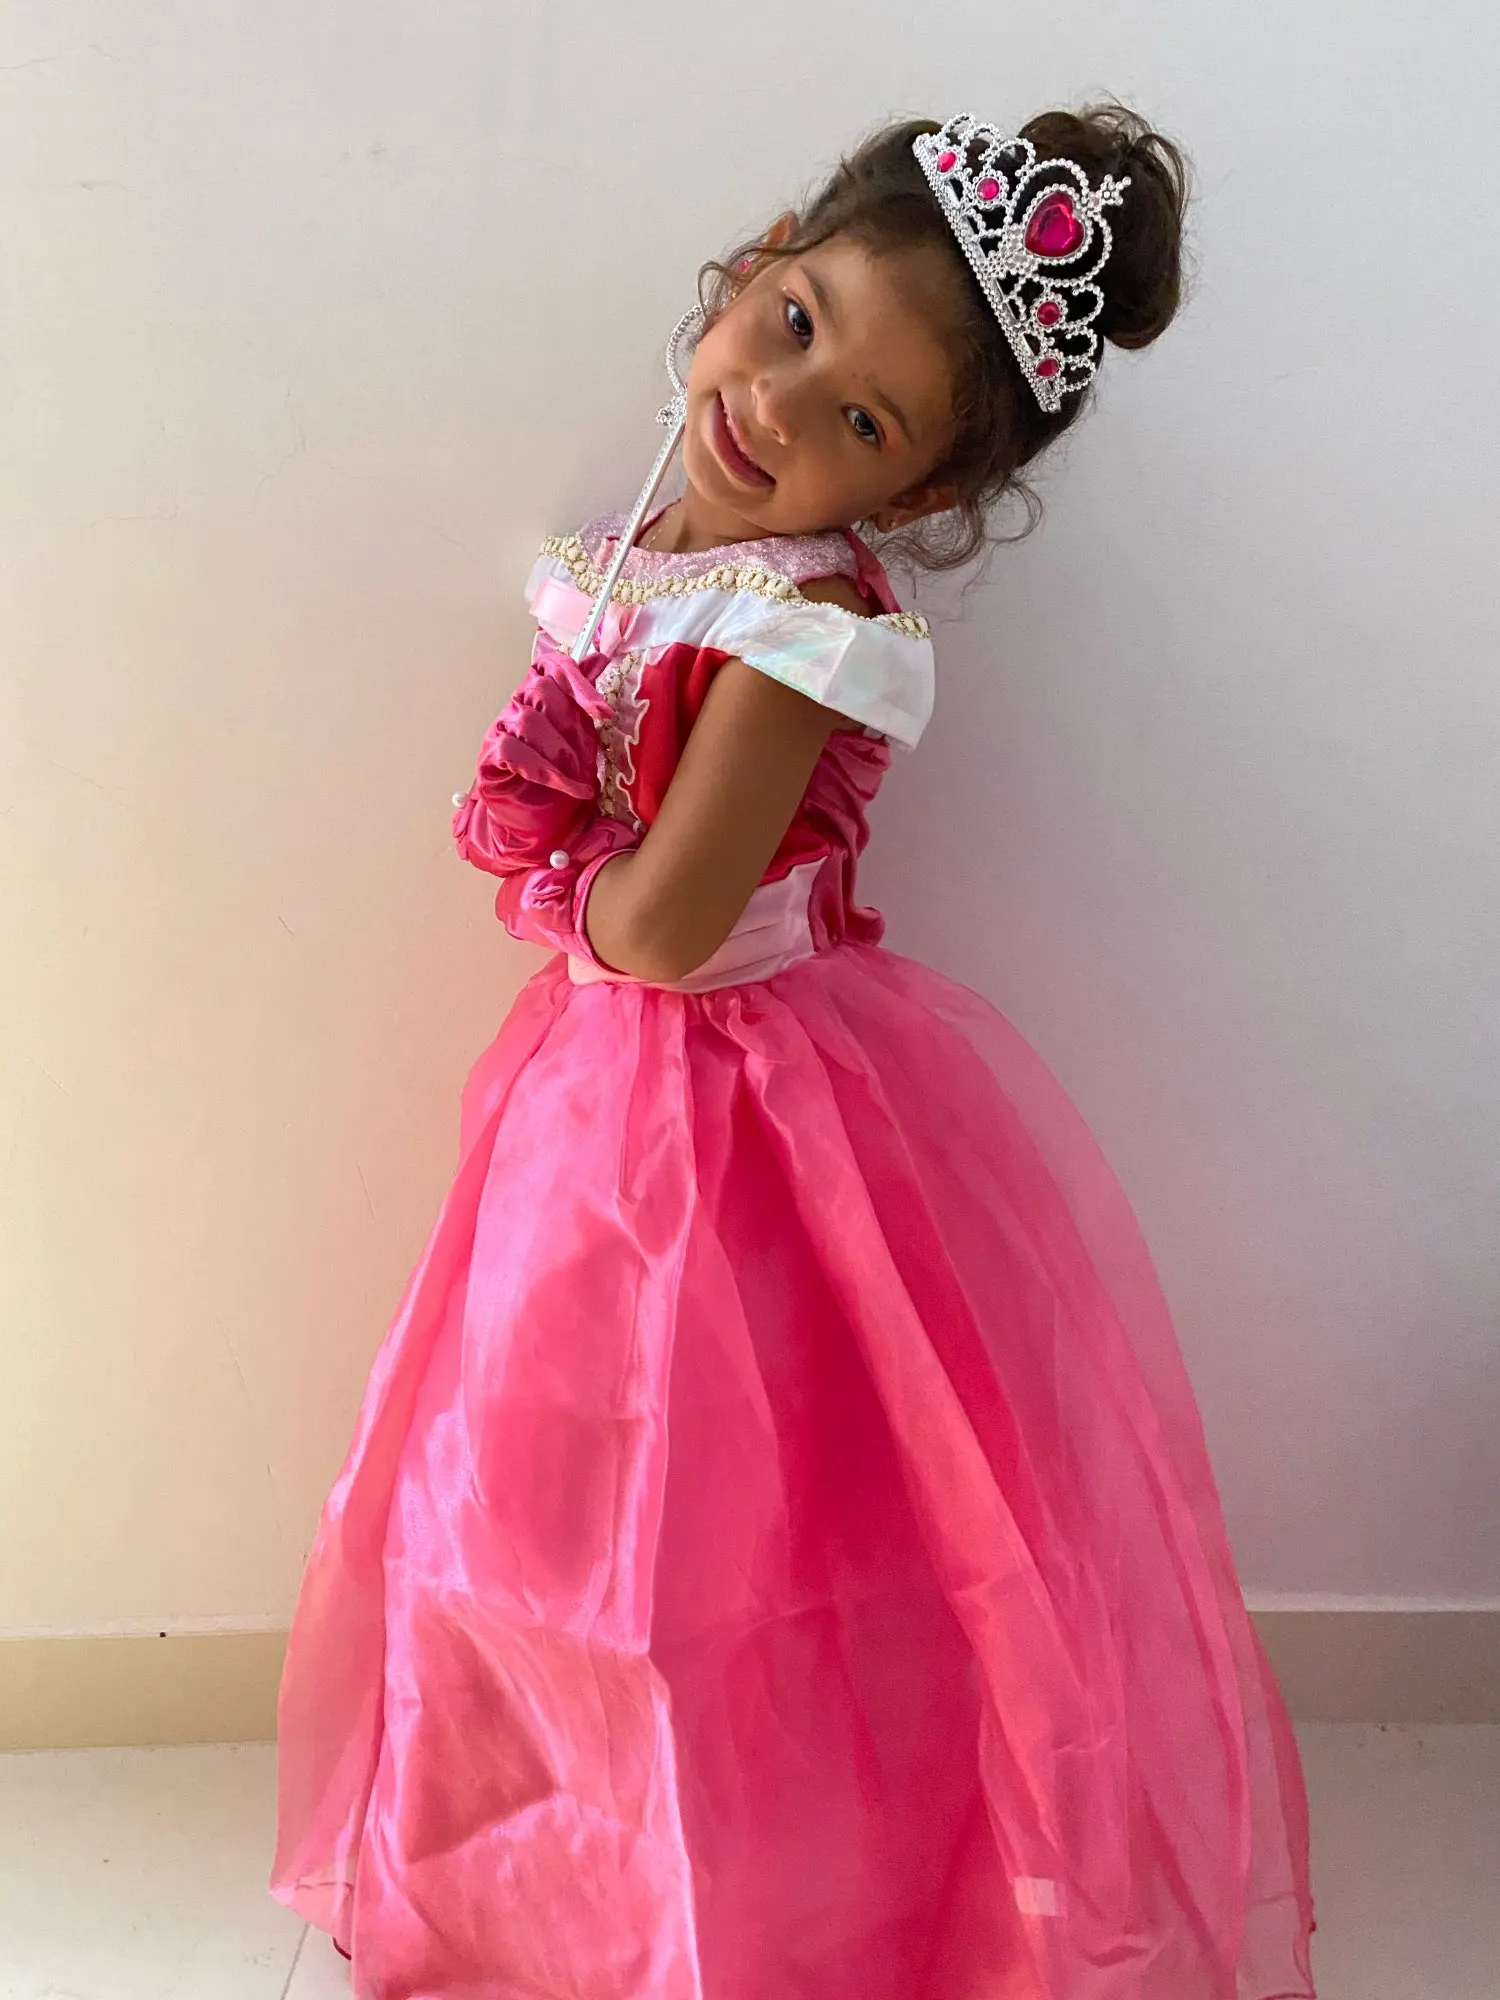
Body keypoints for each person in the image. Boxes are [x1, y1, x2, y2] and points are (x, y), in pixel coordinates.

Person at [272, 107, 1317, 2000]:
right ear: (760, 259)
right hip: (590, 1099)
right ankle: (544, 1885)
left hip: (729, 1119)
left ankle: (765, 1914)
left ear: (920, 490)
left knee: (721, 1533)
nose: (779, 408)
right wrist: (567, 844)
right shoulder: (650, 540)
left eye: (862, 422)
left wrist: (546, 870)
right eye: (798, 323)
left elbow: (670, 927)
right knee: (535, 1488)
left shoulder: (802, 628)